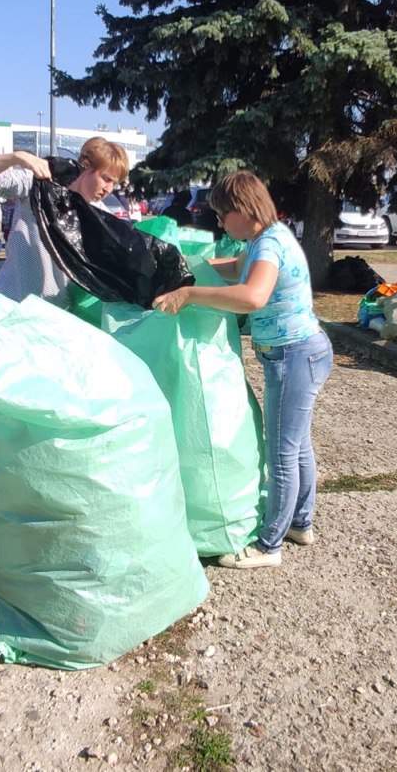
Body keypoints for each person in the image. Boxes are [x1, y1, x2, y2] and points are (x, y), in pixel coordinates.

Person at [153, 170, 333, 570]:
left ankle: (269, 547)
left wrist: (189, 293)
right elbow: (236, 267)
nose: (219, 222)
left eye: (222, 214)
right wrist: (192, 263)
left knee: (282, 453)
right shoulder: (265, 240)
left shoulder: (269, 244)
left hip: (294, 356)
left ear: (244, 209)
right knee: (298, 445)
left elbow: (252, 295)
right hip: (300, 353)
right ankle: (300, 523)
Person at [0, 137, 129, 307]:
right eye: (106, 179)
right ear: (86, 165)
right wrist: (17, 157)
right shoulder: (36, 184)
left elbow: (127, 262)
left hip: (54, 315)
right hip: (8, 305)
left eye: (114, 183)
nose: (109, 189)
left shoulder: (101, 218)